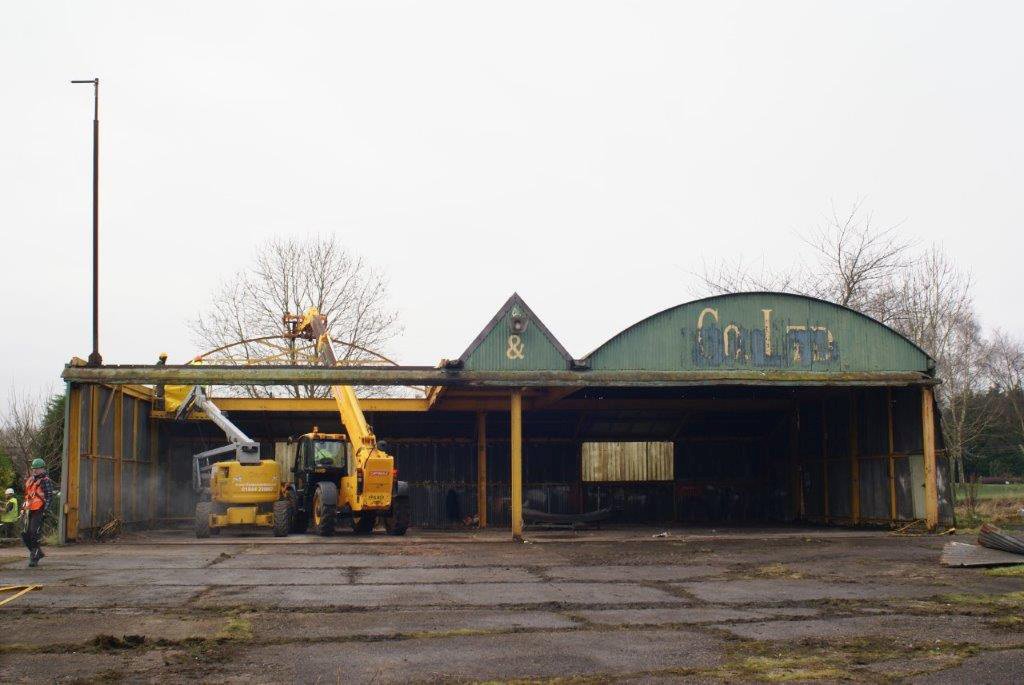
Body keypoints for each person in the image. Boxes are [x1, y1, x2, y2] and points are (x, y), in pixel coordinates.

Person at [21, 458, 55, 567]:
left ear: (42, 469)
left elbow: (49, 496)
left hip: (40, 510)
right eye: (34, 469)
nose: (35, 471)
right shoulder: (30, 480)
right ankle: (37, 552)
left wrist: (45, 510)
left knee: (34, 533)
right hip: (29, 509)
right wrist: (23, 508)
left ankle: (34, 557)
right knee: (25, 534)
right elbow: (28, 496)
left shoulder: (46, 480)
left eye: (37, 469)